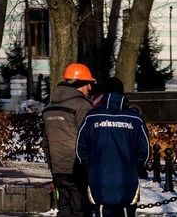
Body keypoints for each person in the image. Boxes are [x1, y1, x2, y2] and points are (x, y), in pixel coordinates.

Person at [76, 76, 149, 217]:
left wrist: (87, 167)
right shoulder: (135, 119)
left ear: (104, 93)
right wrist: (137, 167)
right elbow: (144, 151)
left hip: (99, 179)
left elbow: (80, 148)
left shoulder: (92, 117)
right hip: (128, 180)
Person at [43, 62, 96, 217]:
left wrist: (52, 166)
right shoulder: (83, 106)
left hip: (57, 167)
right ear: (79, 84)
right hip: (77, 167)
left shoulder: (49, 106)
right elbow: (89, 139)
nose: (90, 89)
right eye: (88, 84)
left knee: (64, 209)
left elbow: (46, 142)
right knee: (80, 210)